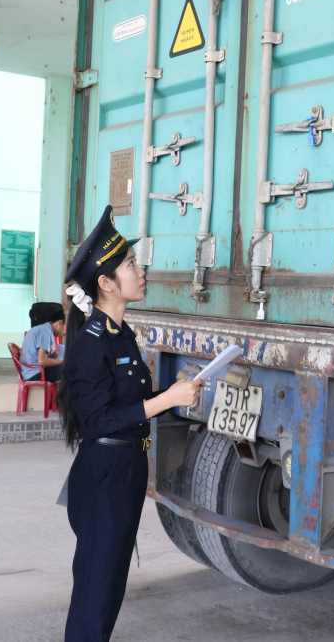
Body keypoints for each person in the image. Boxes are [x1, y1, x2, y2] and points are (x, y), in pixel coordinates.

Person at [59, 205, 204, 641]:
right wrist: (165, 400)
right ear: (105, 283)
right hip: (105, 471)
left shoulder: (121, 335)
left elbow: (130, 401)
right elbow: (98, 421)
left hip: (126, 468)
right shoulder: (91, 343)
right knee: (96, 590)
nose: (141, 272)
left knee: (109, 588)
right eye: (131, 265)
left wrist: (172, 392)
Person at [20, 306, 65, 383]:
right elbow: (42, 361)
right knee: (70, 370)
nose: (64, 332)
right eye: (64, 327)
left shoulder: (41, 329)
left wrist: (54, 355)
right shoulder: (46, 333)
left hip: (29, 371)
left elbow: (39, 358)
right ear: (60, 323)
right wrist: (63, 362)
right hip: (35, 374)